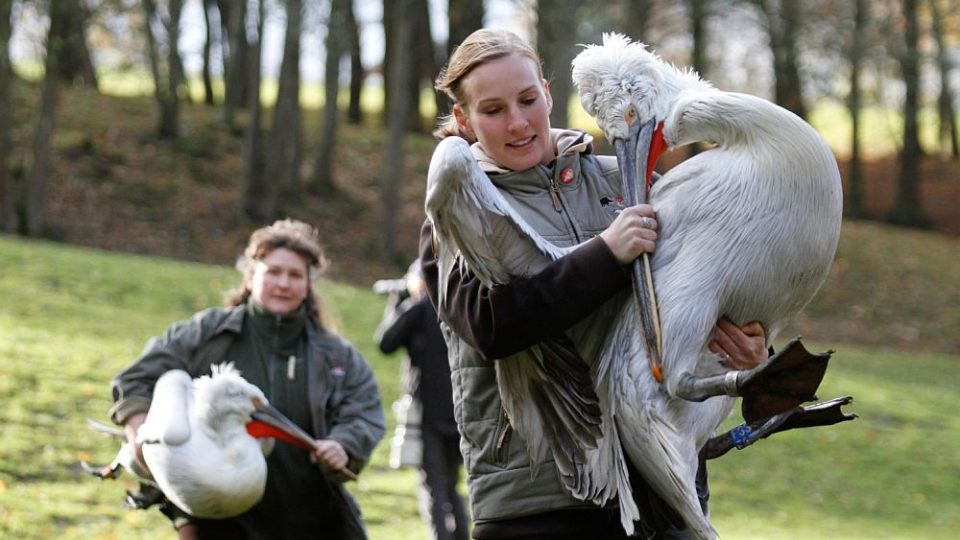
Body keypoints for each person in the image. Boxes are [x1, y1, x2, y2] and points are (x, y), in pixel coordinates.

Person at [419, 29, 769, 539]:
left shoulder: (627, 182)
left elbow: (704, 296)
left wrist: (750, 348)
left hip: (658, 488)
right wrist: (608, 254)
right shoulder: (453, 211)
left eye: (527, 100)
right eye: (493, 110)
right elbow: (492, 326)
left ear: (547, 93)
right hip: (535, 504)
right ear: (464, 120)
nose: (517, 122)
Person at [108, 219, 386, 540]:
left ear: (308, 285)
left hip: (309, 518)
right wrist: (142, 441)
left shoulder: (337, 356)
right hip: (218, 520)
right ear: (252, 276)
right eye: (273, 272)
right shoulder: (207, 334)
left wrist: (344, 444)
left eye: (295, 275)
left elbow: (363, 411)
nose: (283, 283)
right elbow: (137, 379)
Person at [375, 260, 469, 540]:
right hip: (462, 411)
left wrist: (397, 300)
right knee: (452, 485)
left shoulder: (419, 310)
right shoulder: (461, 307)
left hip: (429, 413)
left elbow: (385, 342)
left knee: (433, 486)